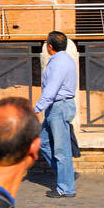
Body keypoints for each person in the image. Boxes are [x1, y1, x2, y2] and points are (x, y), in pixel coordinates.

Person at [35, 30, 78, 198]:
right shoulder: (63, 60)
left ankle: (66, 188)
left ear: (49, 46)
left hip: (59, 107)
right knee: (43, 141)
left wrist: (36, 109)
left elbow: (51, 89)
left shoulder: (58, 63)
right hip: (57, 107)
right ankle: (65, 174)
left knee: (61, 150)